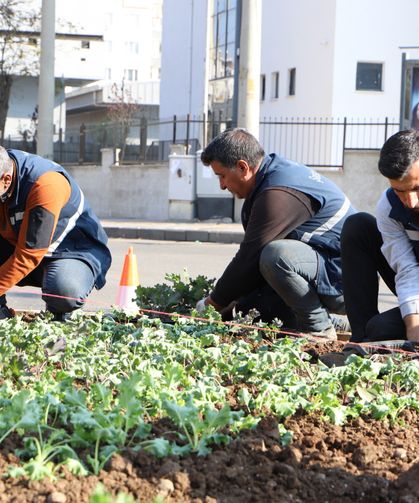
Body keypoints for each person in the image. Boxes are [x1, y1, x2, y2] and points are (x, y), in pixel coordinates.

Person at [195, 128, 356, 339]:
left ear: (243, 167)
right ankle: (330, 322)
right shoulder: (269, 179)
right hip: (329, 268)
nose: (222, 185)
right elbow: (253, 270)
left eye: (222, 176)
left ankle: (319, 329)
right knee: (253, 304)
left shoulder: (277, 193)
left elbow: (249, 258)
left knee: (275, 256)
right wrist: (234, 303)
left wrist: (212, 304)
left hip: (348, 283)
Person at [0, 146, 112, 321]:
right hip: (22, 245)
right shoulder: (4, 176)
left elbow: (28, 254)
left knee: (64, 291)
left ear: (6, 180)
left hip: (71, 251)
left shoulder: (45, 184)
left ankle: (61, 316)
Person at [341, 129, 419, 344]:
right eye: (399, 191)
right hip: (416, 282)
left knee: (383, 328)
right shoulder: (388, 207)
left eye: (416, 188)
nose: (410, 202)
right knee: (358, 226)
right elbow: (406, 268)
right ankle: (361, 342)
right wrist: (413, 330)